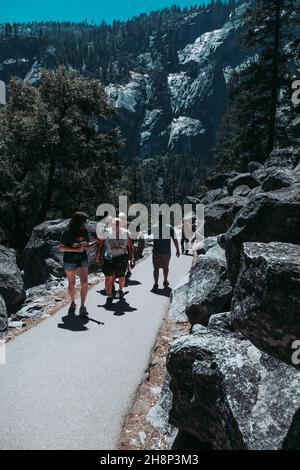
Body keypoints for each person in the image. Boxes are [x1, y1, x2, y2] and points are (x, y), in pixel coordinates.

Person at [59, 212, 97, 316]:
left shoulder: (84, 231)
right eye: (85, 221)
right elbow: (61, 248)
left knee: (84, 283)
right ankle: (72, 303)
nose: (86, 223)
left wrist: (96, 243)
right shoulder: (67, 233)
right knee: (72, 284)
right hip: (69, 261)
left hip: (82, 259)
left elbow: (85, 246)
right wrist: (76, 250)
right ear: (80, 222)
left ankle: (82, 306)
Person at [97, 217, 136, 307]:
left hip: (121, 259)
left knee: (122, 277)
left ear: (121, 224)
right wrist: (98, 256)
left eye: (118, 224)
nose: (116, 226)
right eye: (114, 224)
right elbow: (101, 245)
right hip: (109, 258)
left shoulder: (126, 233)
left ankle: (120, 290)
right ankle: (109, 297)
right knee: (108, 278)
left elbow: (131, 247)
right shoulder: (107, 232)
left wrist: (132, 259)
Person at [151, 213, 180, 292]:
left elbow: (148, 233)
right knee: (166, 268)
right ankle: (165, 281)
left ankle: (156, 284)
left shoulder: (154, 227)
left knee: (156, 269)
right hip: (166, 252)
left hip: (156, 251)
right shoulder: (170, 227)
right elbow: (175, 239)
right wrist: (177, 249)